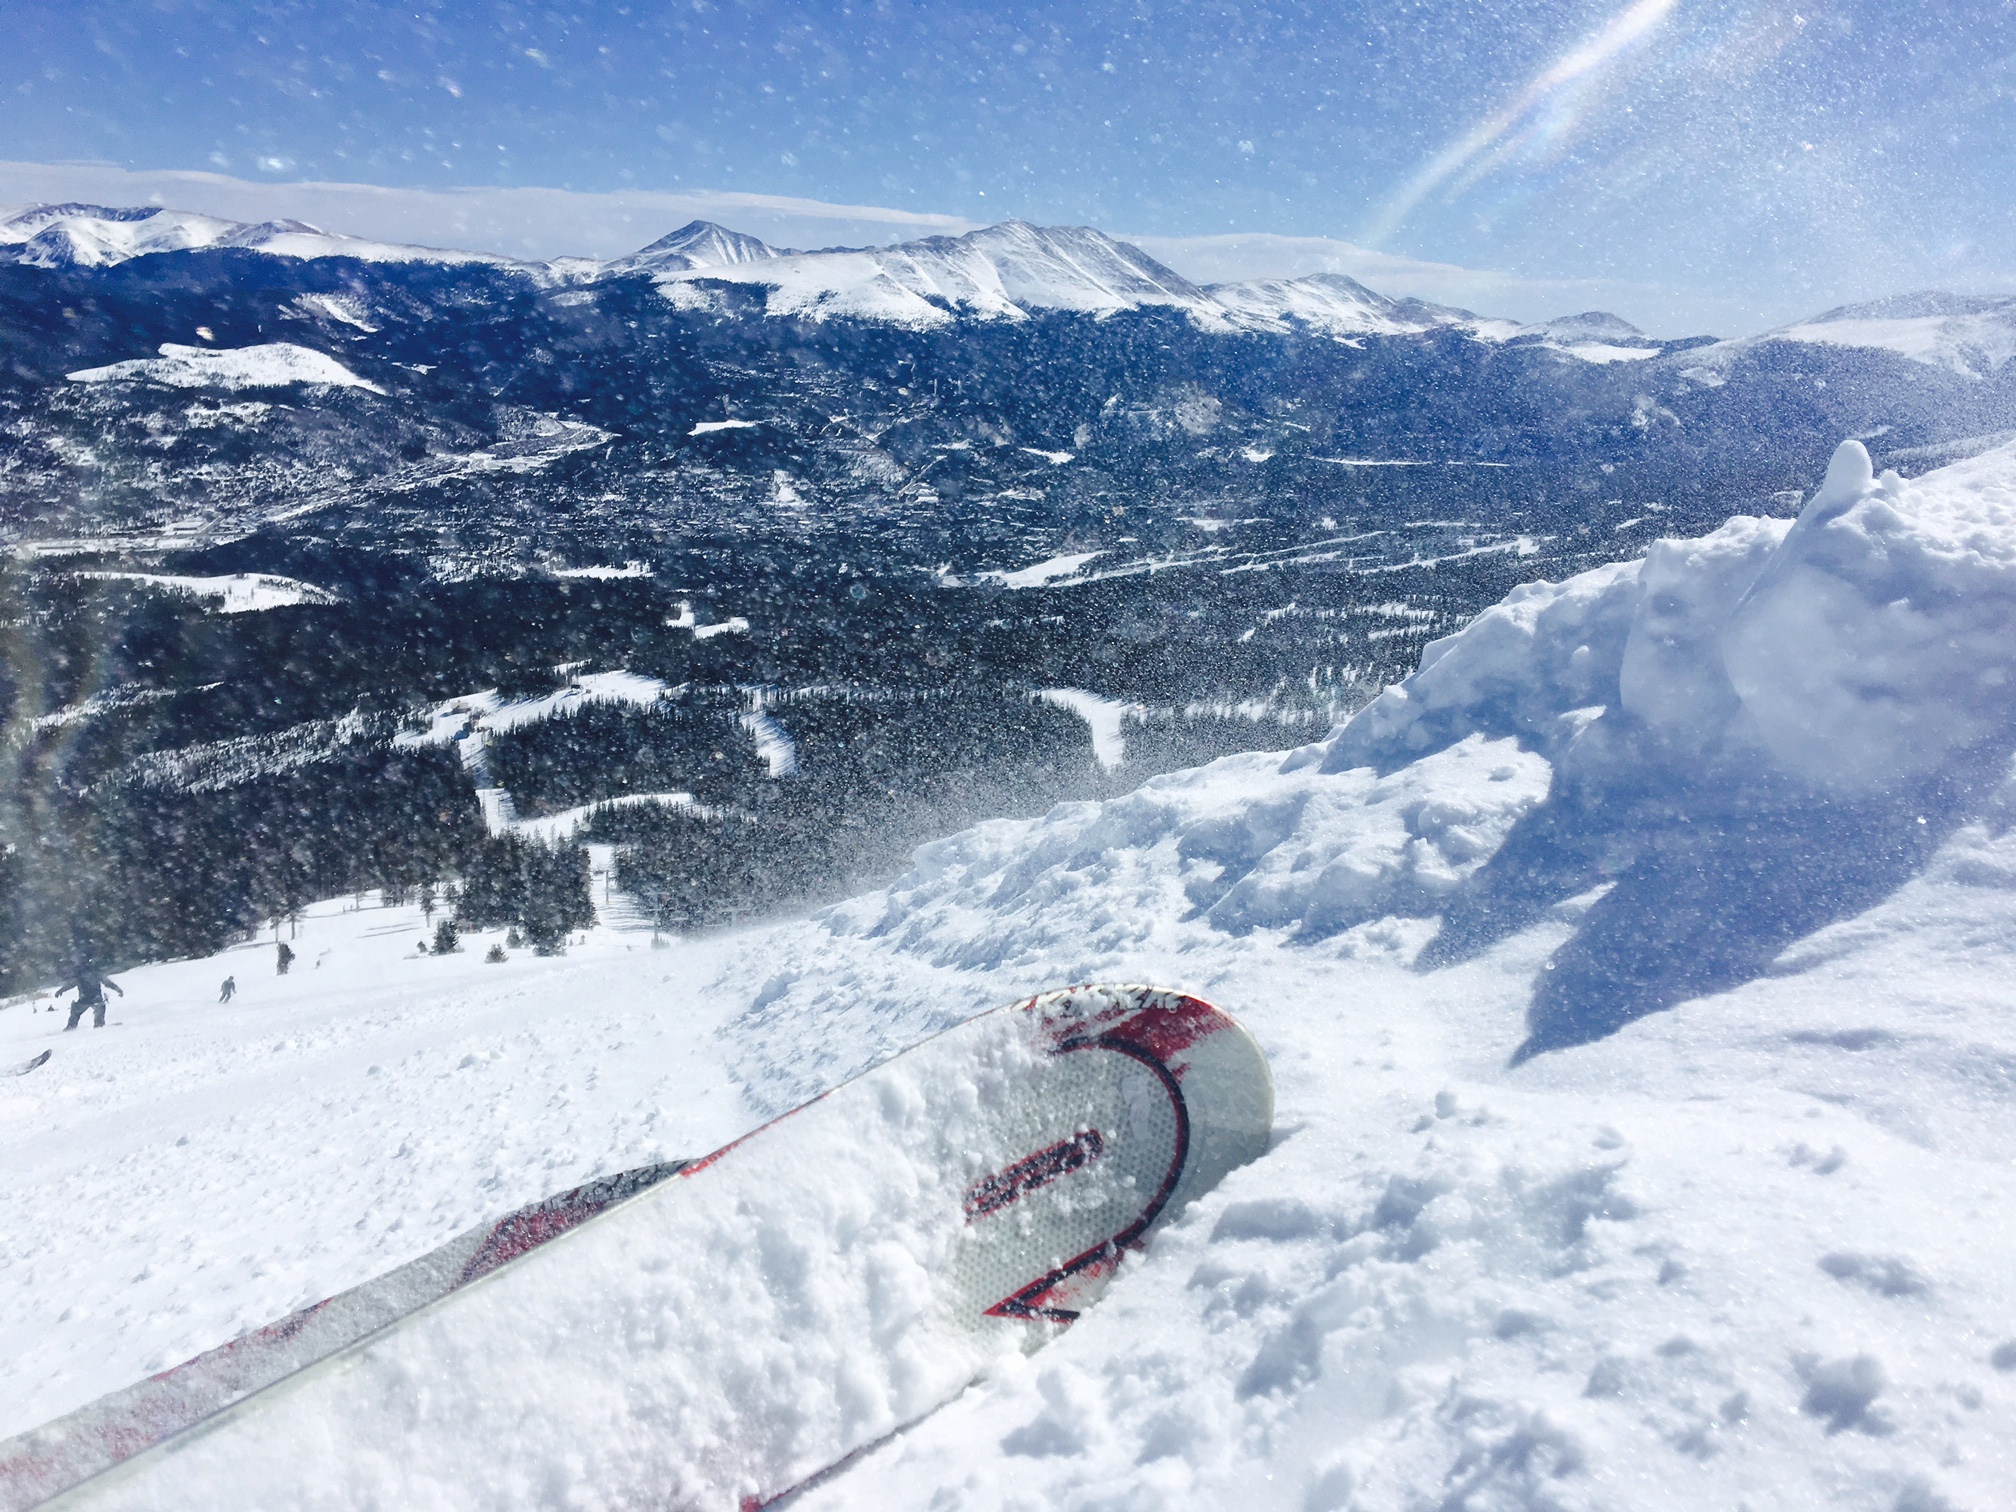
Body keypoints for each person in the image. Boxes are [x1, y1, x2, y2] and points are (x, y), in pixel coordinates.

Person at [57, 962, 123, 1030]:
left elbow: (70, 984)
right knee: (99, 1009)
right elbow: (108, 983)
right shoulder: (96, 975)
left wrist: (61, 991)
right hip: (96, 998)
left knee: (76, 1012)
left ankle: (71, 1026)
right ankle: (99, 1023)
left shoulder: (80, 976)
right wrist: (118, 989)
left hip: (84, 999)